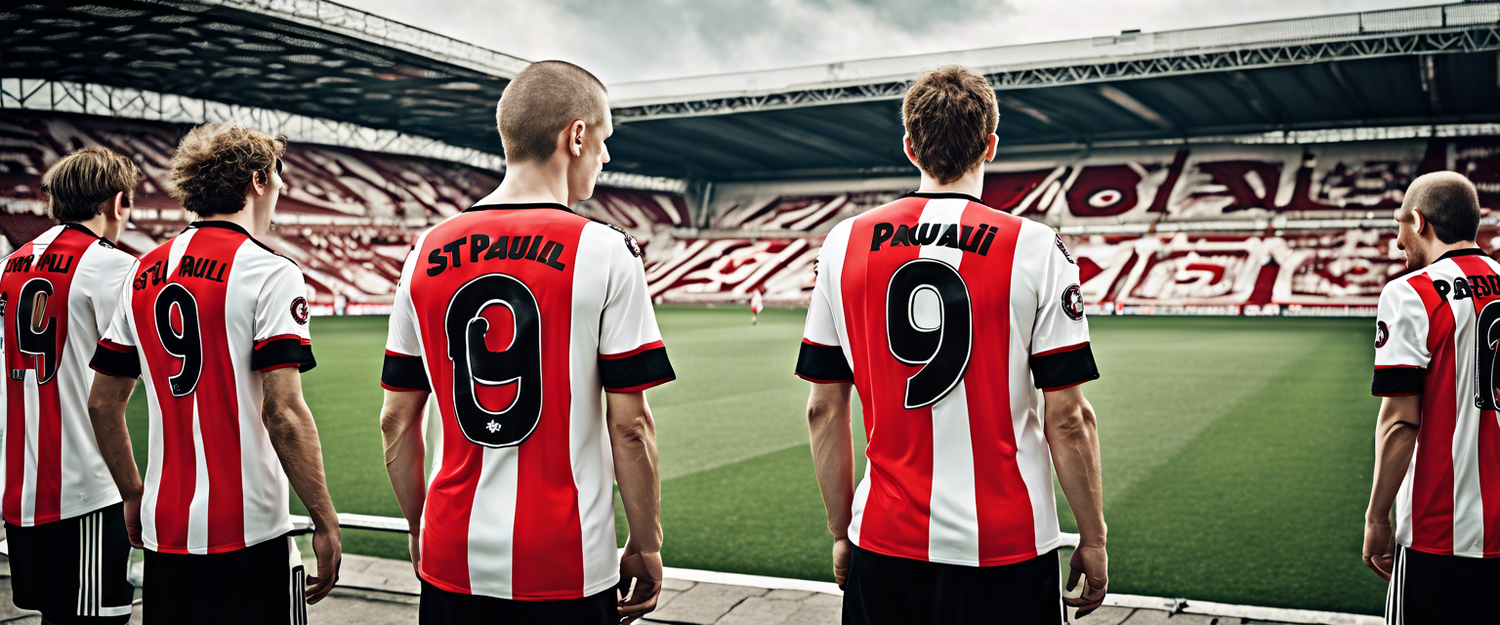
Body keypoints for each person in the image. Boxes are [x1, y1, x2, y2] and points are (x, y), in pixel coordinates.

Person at [795, 65, 1108, 624]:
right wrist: (1093, 537)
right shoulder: (1037, 247)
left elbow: (824, 408)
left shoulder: (843, 242)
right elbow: (1068, 418)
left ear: (910, 148)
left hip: (884, 541)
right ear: (990, 145)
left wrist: (841, 532)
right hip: (1008, 547)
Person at [379, 60, 674, 625]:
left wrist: (420, 527)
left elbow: (396, 419)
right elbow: (631, 426)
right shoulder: (607, 251)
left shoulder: (424, 251)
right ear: (577, 135)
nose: (606, 157)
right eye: (605, 139)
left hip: (452, 554)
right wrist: (646, 541)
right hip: (567, 564)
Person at [86, 123, 340, 624]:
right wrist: (325, 520)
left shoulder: (141, 271)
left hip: (165, 527)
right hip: (249, 529)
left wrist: (134, 494)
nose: (281, 187)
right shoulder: (271, 271)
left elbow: (102, 403)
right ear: (257, 180)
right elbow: (283, 413)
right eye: (278, 176)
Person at [1, 147, 140, 624]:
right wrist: (134, 490)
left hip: (21, 489)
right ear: (116, 202)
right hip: (86, 491)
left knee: (56, 614)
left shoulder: (9, 265)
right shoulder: (117, 269)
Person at [1365, 171, 1498, 623]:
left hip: (1437, 531)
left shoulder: (1409, 293)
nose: (1398, 240)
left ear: (1419, 221)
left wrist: (1377, 519)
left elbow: (1401, 422)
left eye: (1400, 224)